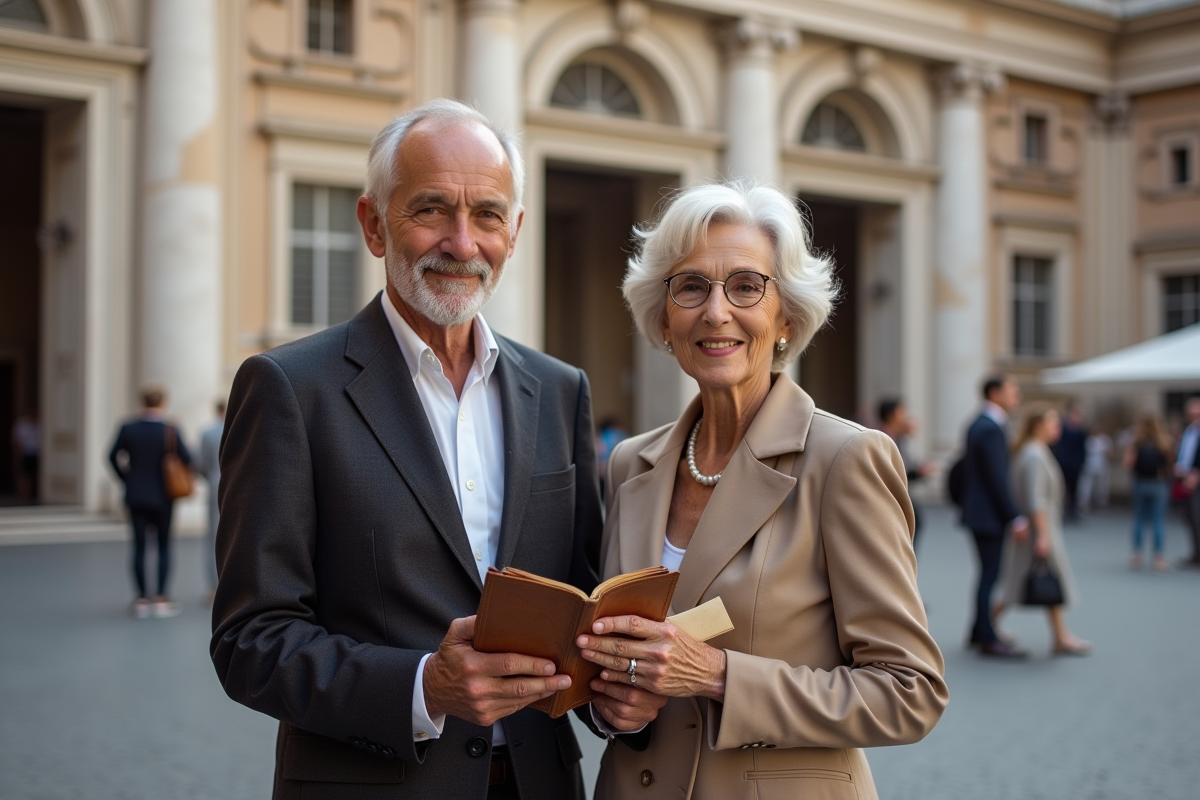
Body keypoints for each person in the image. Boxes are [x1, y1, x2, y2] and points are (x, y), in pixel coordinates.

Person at [210, 99, 602, 800]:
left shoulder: (560, 389)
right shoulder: (290, 389)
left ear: (514, 234)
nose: (461, 242)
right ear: (373, 224)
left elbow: (581, 593)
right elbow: (250, 640)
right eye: (430, 210)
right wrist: (425, 686)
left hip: (542, 782)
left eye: (486, 214)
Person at [574, 182, 947, 800]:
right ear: (664, 319)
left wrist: (719, 675)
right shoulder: (629, 463)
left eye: (746, 286)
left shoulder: (845, 460)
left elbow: (910, 693)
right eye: (690, 286)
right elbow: (620, 666)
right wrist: (609, 707)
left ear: (786, 318)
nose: (716, 311)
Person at [994, 404, 1090, 656]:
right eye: (1053, 422)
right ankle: (1059, 637)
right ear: (1039, 426)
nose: (1057, 427)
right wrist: (1044, 535)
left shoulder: (1030, 451)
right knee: (1037, 579)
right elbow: (1037, 499)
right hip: (1040, 528)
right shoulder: (1035, 454)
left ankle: (989, 625)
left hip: (1038, 527)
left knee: (1019, 582)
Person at [107, 384, 191, 618]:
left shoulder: (129, 427)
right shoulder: (170, 429)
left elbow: (111, 456)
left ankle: (142, 599)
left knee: (139, 547)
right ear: (163, 402)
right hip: (164, 496)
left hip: (136, 495)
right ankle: (162, 597)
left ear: (142, 401)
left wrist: (126, 478)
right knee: (163, 546)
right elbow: (187, 458)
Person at [961, 374, 1030, 658]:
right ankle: (987, 637)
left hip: (980, 512)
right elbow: (996, 478)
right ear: (994, 393)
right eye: (1011, 390)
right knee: (990, 575)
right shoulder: (990, 427)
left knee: (987, 574)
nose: (1017, 395)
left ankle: (980, 630)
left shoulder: (980, 423)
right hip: (988, 515)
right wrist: (1015, 516)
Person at [878, 397, 935, 552]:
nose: (905, 416)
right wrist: (917, 472)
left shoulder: (897, 437)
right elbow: (892, 472)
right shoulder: (881, 438)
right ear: (891, 415)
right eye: (901, 411)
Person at [1126, 413, 1175, 572]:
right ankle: (1159, 556)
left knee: (1139, 518)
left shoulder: (1136, 441)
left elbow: (1128, 463)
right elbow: (1171, 464)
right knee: (1158, 519)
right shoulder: (1165, 441)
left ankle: (1137, 553)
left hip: (1140, 482)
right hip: (1158, 483)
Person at [194, 399, 225, 602]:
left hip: (215, 487)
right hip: (244, 488)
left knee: (214, 538)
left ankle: (215, 588)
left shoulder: (209, 432)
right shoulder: (245, 428)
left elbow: (200, 464)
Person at [1052, 403, 1088, 521]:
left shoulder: (1081, 430)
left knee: (1074, 489)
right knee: (1062, 487)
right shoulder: (1064, 429)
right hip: (1064, 462)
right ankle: (1063, 510)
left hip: (1075, 464)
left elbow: (1083, 449)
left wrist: (1082, 462)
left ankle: (1073, 510)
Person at [1175, 397, 1200, 567]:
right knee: (1190, 518)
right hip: (1185, 478)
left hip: (1196, 479)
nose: (1194, 417)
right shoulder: (1189, 430)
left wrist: (1196, 473)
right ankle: (1196, 553)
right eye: (1191, 414)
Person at [1078, 425, 1113, 513]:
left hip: (1101, 463)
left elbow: (1110, 452)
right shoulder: (1088, 439)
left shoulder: (1104, 439)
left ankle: (1102, 502)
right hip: (1089, 463)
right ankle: (1084, 502)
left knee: (1102, 484)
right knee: (1087, 484)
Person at [11, 408, 39, 501]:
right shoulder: (21, 424)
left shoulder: (40, 424)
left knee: (36, 475)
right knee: (24, 476)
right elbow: (16, 440)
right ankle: (23, 497)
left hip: (37, 453)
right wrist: (18, 453)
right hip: (25, 453)